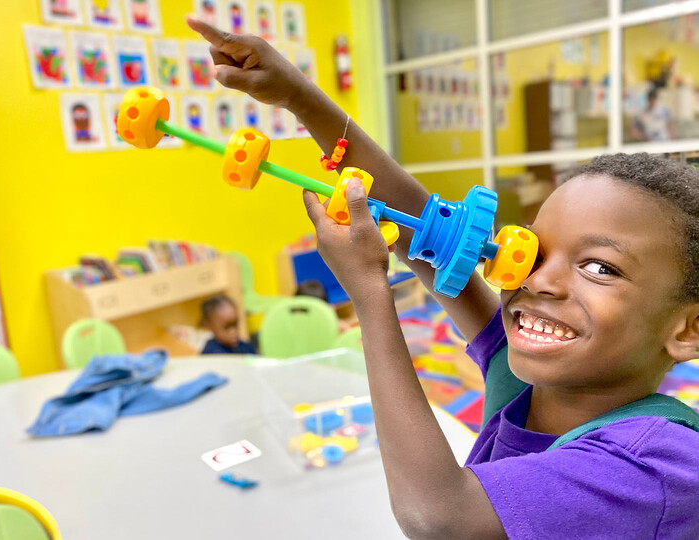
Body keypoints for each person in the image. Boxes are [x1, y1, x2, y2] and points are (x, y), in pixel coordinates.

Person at [187, 17, 699, 538]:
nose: (539, 280)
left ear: (688, 330)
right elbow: (424, 232)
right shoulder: (529, 382)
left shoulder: (659, 463)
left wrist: (370, 291)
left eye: (600, 268)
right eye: (535, 250)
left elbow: (437, 516)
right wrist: (300, 97)